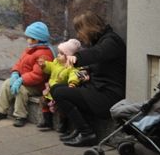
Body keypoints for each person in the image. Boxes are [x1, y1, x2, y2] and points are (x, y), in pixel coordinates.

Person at [52, 11, 127, 147]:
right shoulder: (100, 41)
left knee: (59, 93)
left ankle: (86, 133)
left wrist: (77, 58)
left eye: (79, 30)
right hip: (98, 90)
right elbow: (96, 67)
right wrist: (82, 75)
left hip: (109, 96)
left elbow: (97, 54)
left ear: (89, 27)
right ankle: (80, 130)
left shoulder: (111, 41)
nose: (78, 35)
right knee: (58, 88)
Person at [0, 21, 54, 127]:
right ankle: (0, 111)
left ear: (37, 39)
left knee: (21, 90)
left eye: (30, 38)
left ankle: (20, 116)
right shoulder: (30, 49)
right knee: (6, 84)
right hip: (24, 80)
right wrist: (15, 73)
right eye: (28, 37)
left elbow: (38, 75)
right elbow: (19, 63)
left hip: (37, 86)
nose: (28, 40)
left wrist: (21, 80)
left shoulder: (44, 54)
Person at [36, 38, 83, 130]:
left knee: (62, 108)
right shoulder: (56, 62)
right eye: (58, 53)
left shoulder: (71, 67)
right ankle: (47, 121)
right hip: (50, 90)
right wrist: (44, 65)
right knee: (43, 101)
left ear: (69, 56)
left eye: (61, 54)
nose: (58, 55)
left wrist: (72, 83)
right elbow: (50, 67)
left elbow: (75, 74)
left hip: (60, 92)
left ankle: (63, 125)